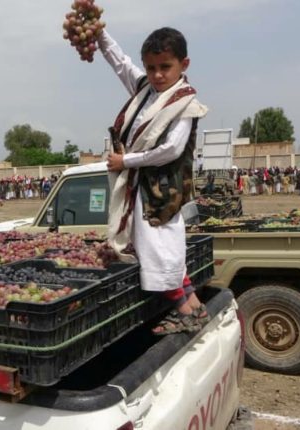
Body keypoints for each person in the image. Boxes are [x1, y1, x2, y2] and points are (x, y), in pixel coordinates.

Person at [99, 27, 209, 335]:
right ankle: (196, 308)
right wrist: (99, 36)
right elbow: (121, 63)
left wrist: (126, 161)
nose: (158, 75)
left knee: (157, 254)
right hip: (140, 189)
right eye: (151, 68)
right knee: (165, 254)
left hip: (159, 194)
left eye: (165, 67)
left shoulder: (184, 104)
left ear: (183, 64)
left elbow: (171, 150)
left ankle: (184, 312)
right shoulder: (145, 90)